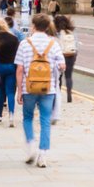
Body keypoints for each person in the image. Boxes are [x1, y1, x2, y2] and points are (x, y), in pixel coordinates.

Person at [16, 13, 62, 166]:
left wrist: (19, 91)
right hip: (48, 88)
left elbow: (20, 69)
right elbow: (62, 65)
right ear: (47, 26)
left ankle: (31, 146)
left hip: (29, 88)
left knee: (28, 118)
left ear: (34, 26)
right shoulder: (53, 44)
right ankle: (43, 154)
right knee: (45, 121)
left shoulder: (24, 43)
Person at [0, 18, 21, 124]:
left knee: (1, 91)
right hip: (10, 67)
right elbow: (17, 54)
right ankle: (11, 116)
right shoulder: (14, 38)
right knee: (10, 92)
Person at [54, 14, 78, 108]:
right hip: (71, 55)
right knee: (69, 76)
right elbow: (76, 45)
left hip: (61, 55)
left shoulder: (57, 33)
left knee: (59, 76)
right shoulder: (71, 32)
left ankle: (58, 94)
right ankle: (69, 95)